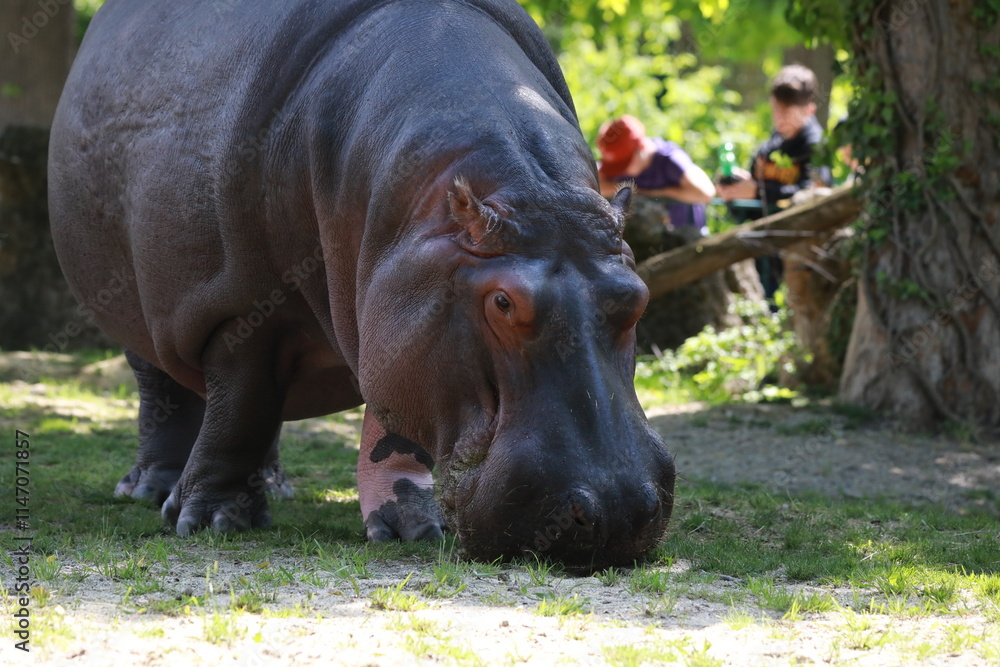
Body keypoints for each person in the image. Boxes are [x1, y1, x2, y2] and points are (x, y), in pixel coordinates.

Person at [716, 64, 824, 300]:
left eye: (788, 112)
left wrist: (758, 191)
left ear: (810, 110)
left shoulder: (814, 146)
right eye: (777, 110)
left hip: (796, 252)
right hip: (761, 247)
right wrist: (735, 184)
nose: (780, 119)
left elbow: (813, 191)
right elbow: (754, 181)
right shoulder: (773, 143)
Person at [596, 115, 716, 233]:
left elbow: (706, 193)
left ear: (641, 147)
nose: (620, 171)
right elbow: (595, 185)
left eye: (624, 164)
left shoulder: (670, 160)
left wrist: (660, 193)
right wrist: (637, 192)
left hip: (687, 238)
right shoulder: (622, 162)